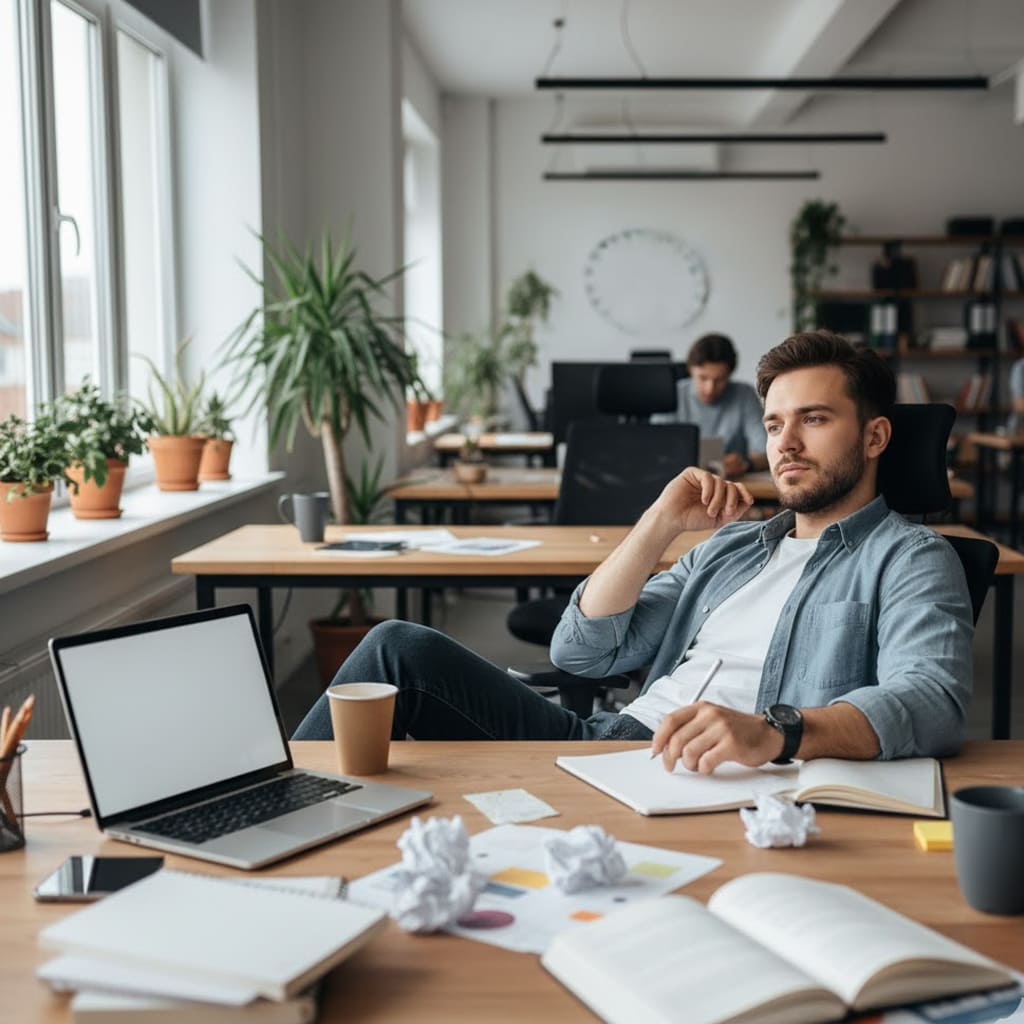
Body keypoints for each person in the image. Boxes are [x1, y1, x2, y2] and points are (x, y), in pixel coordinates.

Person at [293, 330, 973, 771]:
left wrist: (777, 731)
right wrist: (657, 522)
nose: (785, 443)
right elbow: (580, 653)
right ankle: (290, 801)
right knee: (396, 647)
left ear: (876, 437)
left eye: (814, 420)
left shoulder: (910, 558)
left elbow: (934, 699)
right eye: (773, 424)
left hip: (728, 778)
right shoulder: (732, 548)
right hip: (613, 742)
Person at [652, 333, 768, 478]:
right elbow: (654, 450)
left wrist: (746, 464)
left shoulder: (743, 395)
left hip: (729, 483)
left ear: (730, 374)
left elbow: (766, 450)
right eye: (703, 378)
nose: (710, 388)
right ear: (690, 370)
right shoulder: (672, 393)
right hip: (675, 480)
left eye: (719, 380)